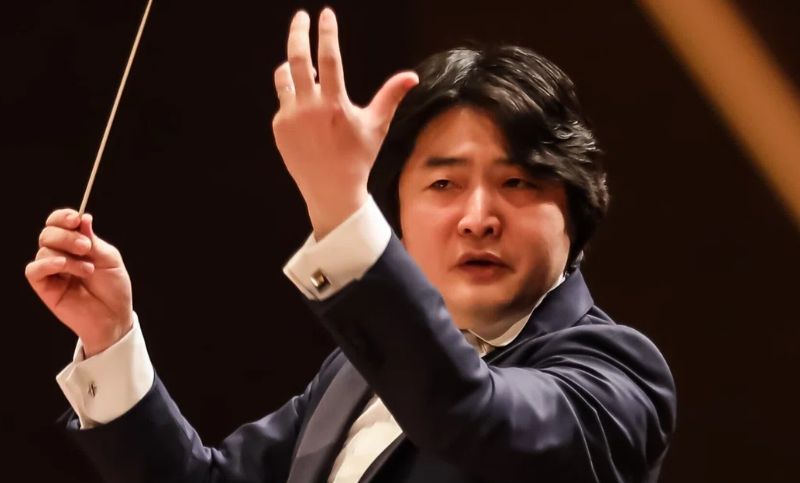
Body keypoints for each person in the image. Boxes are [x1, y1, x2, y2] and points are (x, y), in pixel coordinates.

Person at [26, 8, 676, 483]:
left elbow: (470, 412)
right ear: (402, 214)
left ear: (576, 209)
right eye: (444, 184)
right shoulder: (354, 371)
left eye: (518, 183)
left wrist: (340, 207)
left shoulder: (617, 374)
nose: (478, 218)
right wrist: (109, 337)